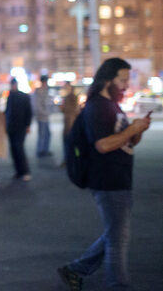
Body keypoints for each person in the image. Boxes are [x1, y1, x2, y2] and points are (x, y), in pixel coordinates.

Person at [58, 58, 150, 291]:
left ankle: (75, 269)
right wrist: (133, 129)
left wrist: (138, 130)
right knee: (117, 239)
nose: (126, 85)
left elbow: (124, 140)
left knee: (115, 233)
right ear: (107, 80)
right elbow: (103, 145)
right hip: (107, 179)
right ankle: (118, 285)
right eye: (122, 80)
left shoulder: (113, 105)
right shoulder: (98, 106)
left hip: (119, 177)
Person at [5, 78, 33, 181]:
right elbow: (7, 112)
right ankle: (18, 171)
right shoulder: (10, 96)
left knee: (19, 148)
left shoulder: (23, 96)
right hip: (12, 127)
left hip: (20, 127)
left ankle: (25, 171)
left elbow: (29, 112)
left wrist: (28, 125)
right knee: (14, 149)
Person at [60, 82, 80, 165]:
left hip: (71, 124)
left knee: (70, 143)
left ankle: (71, 159)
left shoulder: (72, 97)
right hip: (68, 123)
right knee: (67, 143)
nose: (65, 89)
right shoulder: (67, 97)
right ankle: (68, 159)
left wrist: (63, 108)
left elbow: (74, 110)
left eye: (66, 87)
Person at [34, 75, 53, 157]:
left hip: (46, 117)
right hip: (41, 117)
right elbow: (37, 106)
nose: (46, 83)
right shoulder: (38, 92)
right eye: (45, 82)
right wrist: (45, 112)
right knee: (42, 134)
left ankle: (45, 149)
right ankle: (40, 151)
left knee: (48, 134)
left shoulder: (46, 91)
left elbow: (49, 103)